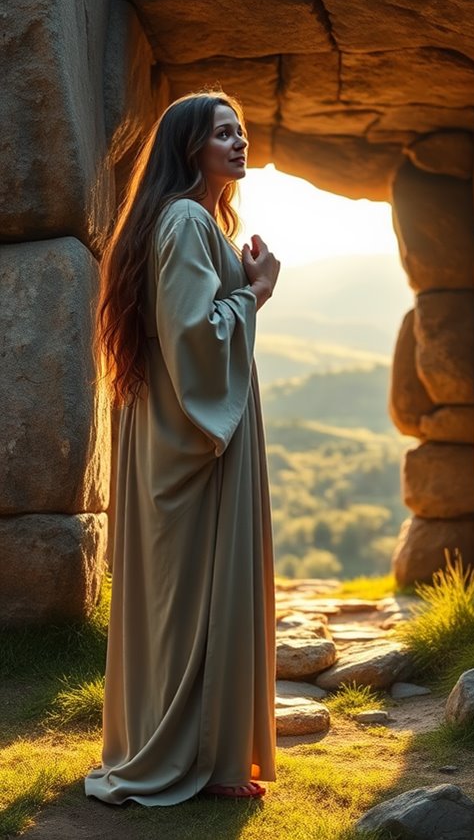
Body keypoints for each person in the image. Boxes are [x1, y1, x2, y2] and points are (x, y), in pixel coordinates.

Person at [85, 91, 280, 805]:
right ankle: (197, 759)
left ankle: (197, 748)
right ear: (187, 147)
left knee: (179, 597)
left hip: (176, 433)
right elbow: (195, 337)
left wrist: (240, 273)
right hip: (195, 439)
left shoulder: (185, 222)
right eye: (222, 133)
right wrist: (257, 290)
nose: (238, 142)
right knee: (197, 595)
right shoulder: (188, 219)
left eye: (242, 131)